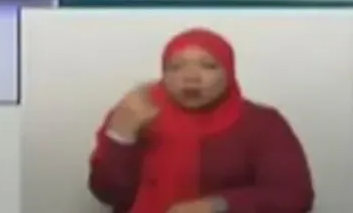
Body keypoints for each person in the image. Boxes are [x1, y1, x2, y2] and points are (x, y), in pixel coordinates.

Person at [88, 28, 314, 213]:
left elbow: (294, 196)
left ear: (229, 72)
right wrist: (121, 136)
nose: (191, 77)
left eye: (208, 66)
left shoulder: (262, 123)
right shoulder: (137, 112)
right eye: (176, 67)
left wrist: (218, 206)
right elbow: (109, 194)